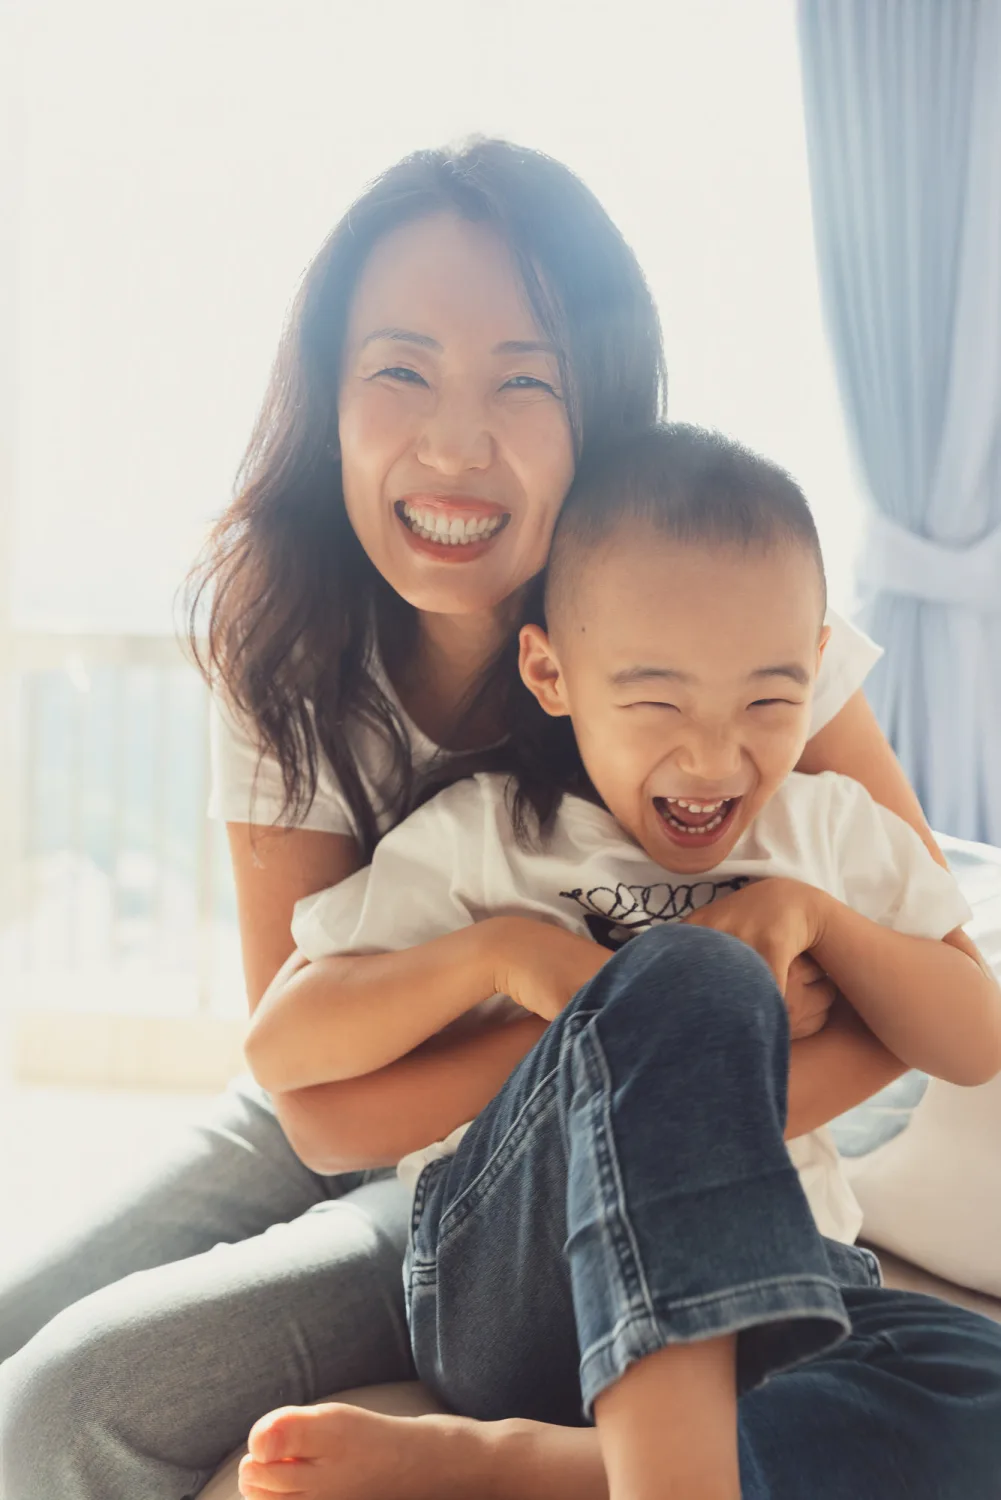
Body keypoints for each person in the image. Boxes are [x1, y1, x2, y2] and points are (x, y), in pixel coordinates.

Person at [0, 139, 996, 1500]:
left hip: (707, 1110)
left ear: (599, 410)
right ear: (328, 398)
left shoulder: (717, 615)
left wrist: (645, 1059)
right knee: (31, 1358)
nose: (455, 443)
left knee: (75, 1399)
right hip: (389, 1090)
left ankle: (560, 1466)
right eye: (398, 370)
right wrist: (565, 1020)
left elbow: (917, 999)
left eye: (524, 380)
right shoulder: (293, 644)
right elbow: (315, 1103)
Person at [234, 426, 1001, 1500]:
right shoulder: (490, 838)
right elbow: (281, 1047)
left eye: (767, 704)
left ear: (817, 666)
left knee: (977, 1393)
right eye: (656, 703)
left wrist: (806, 915)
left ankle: (539, 1469)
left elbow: (972, 1041)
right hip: (513, 1284)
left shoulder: (824, 838)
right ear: (550, 672)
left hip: (784, 1284)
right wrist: (501, 955)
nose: (713, 757)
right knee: (693, 974)